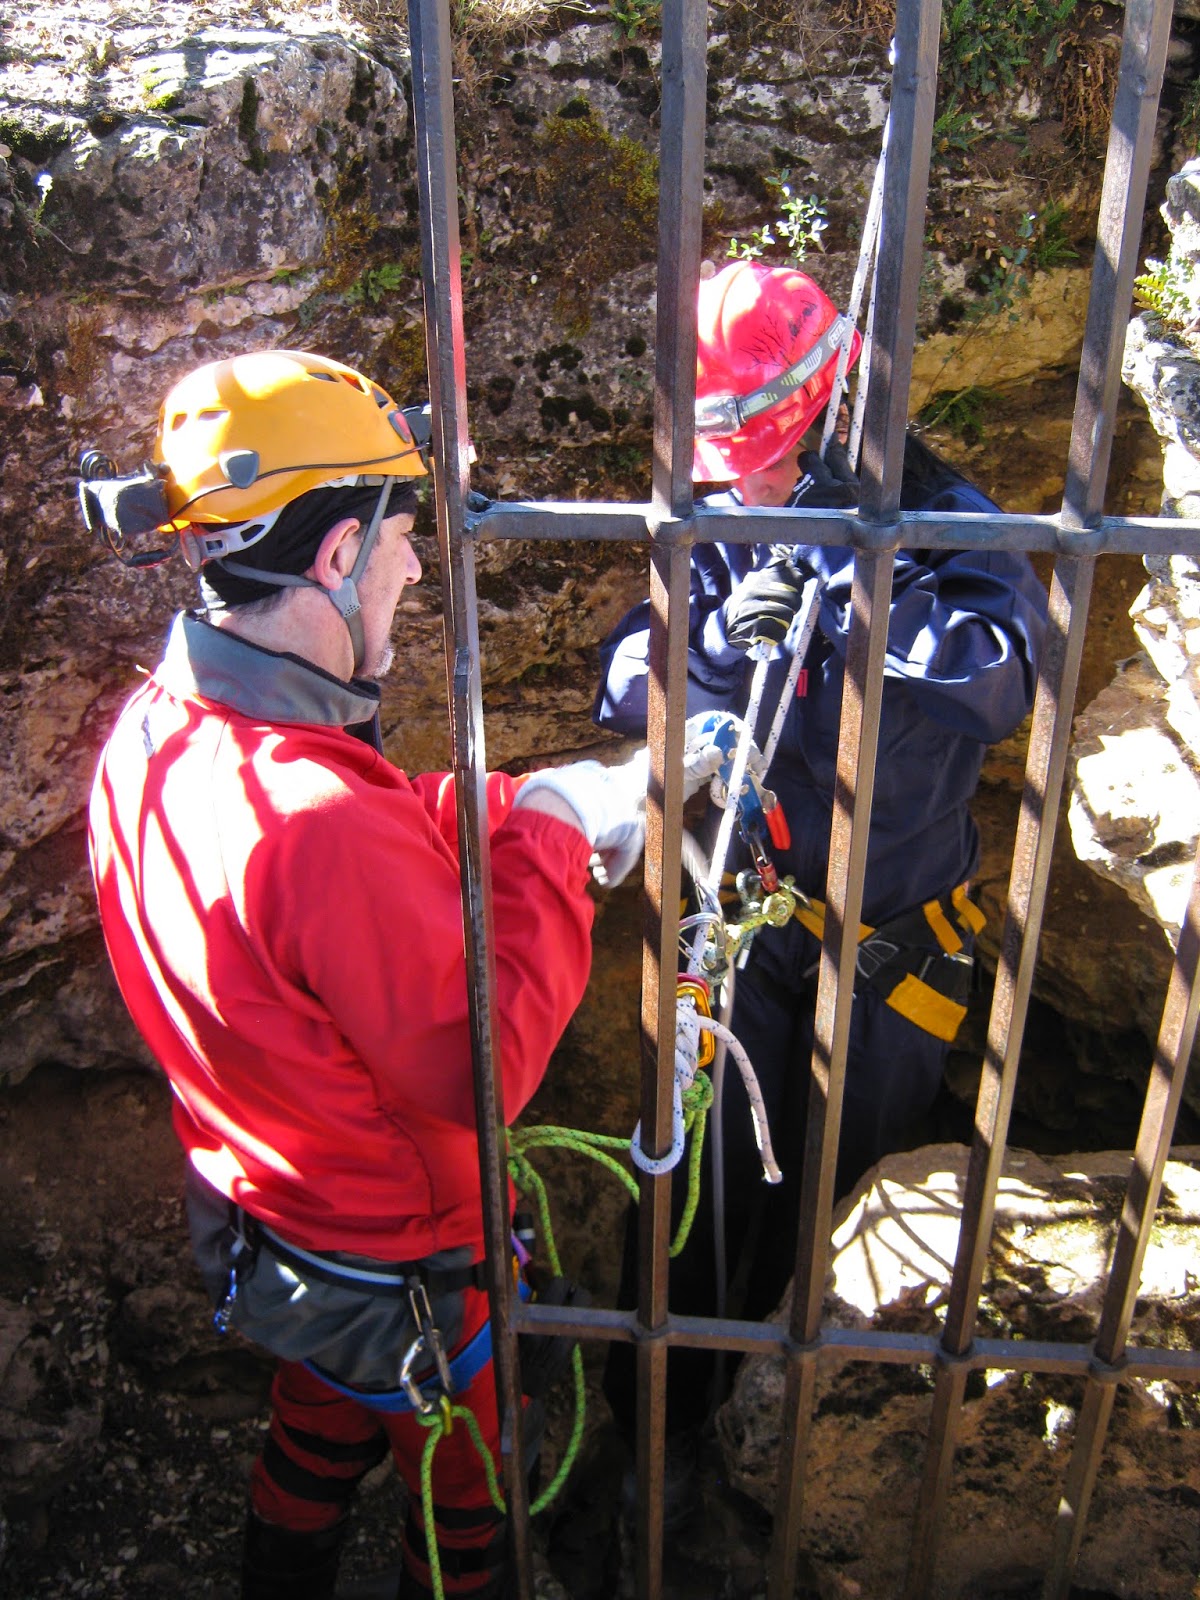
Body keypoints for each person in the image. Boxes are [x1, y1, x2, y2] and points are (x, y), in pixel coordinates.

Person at [81, 349, 733, 1600]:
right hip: (405, 1263)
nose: (419, 567)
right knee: (472, 1493)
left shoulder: (159, 734)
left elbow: (345, 855)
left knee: (320, 1417)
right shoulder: (313, 819)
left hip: (281, 1228)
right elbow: (483, 1067)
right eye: (398, 539)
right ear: (336, 554)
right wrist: (551, 840)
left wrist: (514, 806)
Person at [593, 261, 1049, 1470]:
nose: (736, 480)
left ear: (826, 415)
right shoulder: (721, 521)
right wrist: (707, 643)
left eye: (756, 456)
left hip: (889, 950)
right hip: (743, 924)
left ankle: (794, 1455)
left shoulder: (949, 521)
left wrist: (855, 575)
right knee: (693, 1194)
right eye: (725, 462)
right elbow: (625, 676)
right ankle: (656, 1436)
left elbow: (1001, 677)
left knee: (847, 1203)